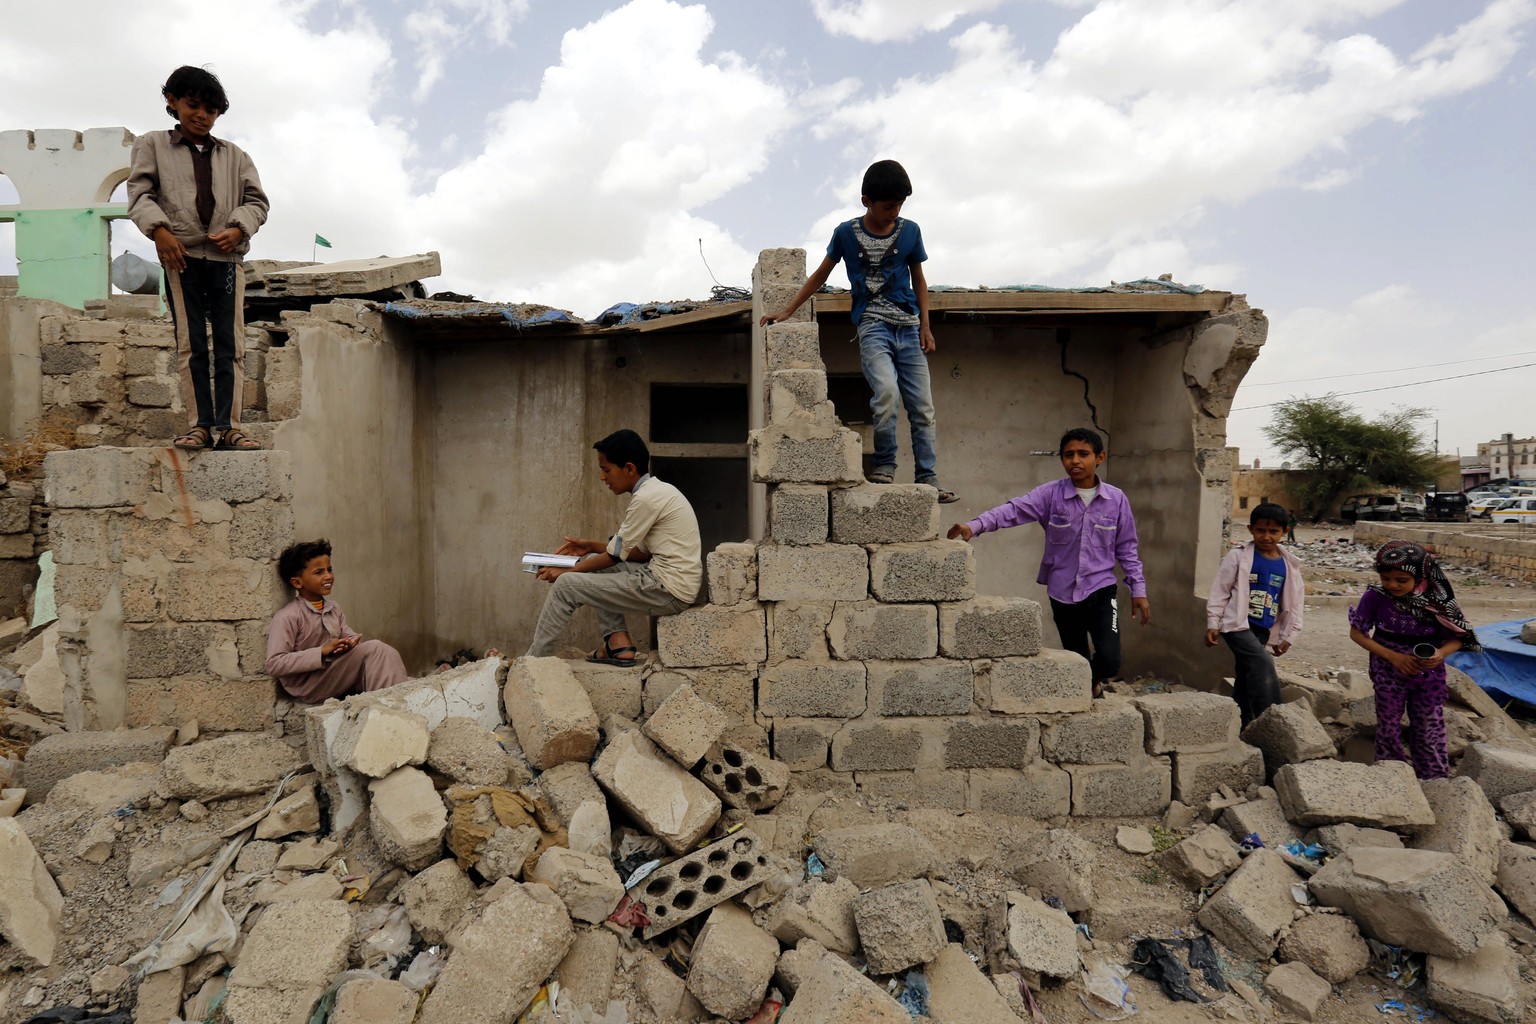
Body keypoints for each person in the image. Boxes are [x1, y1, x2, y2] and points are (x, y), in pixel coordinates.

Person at [759, 159, 956, 503]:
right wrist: (789, 310)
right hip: (873, 326)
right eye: (888, 206)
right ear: (866, 201)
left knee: (923, 406)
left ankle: (928, 477)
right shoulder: (846, 234)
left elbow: (920, 280)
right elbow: (821, 274)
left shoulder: (910, 231)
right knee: (886, 394)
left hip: (909, 328)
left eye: (899, 206)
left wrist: (926, 326)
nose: (894, 212)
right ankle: (884, 465)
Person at [128, 65, 269, 452]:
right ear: (172, 102)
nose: (202, 115)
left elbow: (257, 203)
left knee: (230, 344)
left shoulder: (236, 156)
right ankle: (200, 426)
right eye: (193, 105)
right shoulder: (152, 144)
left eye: (212, 110)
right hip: (181, 257)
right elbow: (140, 195)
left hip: (226, 262)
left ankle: (231, 427)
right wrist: (160, 232)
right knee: (191, 343)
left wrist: (240, 228)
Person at [948, 428, 1149, 696]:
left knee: (1110, 660)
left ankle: (1093, 683)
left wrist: (1138, 589)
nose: (1075, 460)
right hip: (1062, 593)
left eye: (1083, 454)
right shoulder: (1050, 495)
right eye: (1068, 455)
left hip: (1101, 590)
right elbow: (1013, 510)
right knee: (1075, 660)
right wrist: (975, 525)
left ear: (1099, 457)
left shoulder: (1116, 499)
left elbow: (1127, 548)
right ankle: (1086, 696)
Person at [527, 429, 702, 665]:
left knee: (566, 586)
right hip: (664, 580)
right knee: (591, 563)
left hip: (668, 589)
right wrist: (591, 546)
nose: (602, 477)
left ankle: (534, 664)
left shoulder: (646, 499)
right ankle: (618, 645)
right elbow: (639, 554)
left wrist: (567, 572)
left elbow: (614, 556)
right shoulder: (657, 491)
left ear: (629, 469)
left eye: (606, 469)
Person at [1349, 540, 1480, 780]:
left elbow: (1460, 637)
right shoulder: (1375, 597)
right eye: (1386, 578)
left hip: (1428, 674)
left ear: (1421, 577)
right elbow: (1357, 633)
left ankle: (1434, 780)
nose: (1392, 585)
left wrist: (1440, 654)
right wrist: (1394, 657)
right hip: (1387, 670)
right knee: (1388, 724)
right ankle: (1392, 777)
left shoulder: (1438, 601)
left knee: (1428, 727)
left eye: (1401, 580)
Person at [266, 540, 410, 702]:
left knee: (391, 669)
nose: (328, 576)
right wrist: (321, 651)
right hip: (310, 684)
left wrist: (349, 642)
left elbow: (346, 634)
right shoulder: (288, 616)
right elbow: (274, 664)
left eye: (329, 569)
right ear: (297, 582)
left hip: (334, 673)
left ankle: (395, 700)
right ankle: (388, 710)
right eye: (319, 572)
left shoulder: (333, 608)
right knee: (377, 650)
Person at [1204, 503, 1304, 727]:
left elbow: (1295, 603)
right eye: (1260, 530)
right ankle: (1273, 721)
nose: (1266, 536)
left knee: (1246, 674)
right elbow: (1221, 590)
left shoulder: (1289, 565)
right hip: (1236, 625)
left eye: (1273, 531)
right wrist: (1213, 622)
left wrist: (1289, 635)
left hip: (1263, 627)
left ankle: (1241, 722)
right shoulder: (1238, 557)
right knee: (1262, 662)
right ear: (1251, 529)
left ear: (1284, 532)